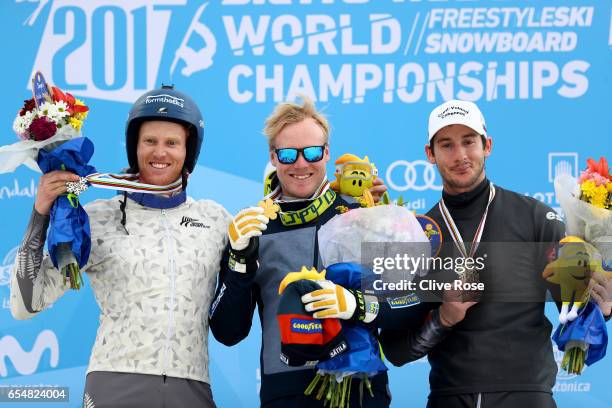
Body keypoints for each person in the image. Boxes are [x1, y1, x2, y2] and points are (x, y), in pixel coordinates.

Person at [378, 99, 612, 408]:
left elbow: (575, 312)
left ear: (487, 145)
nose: (460, 155)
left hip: (526, 397)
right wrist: (443, 318)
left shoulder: (535, 218)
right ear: (430, 154)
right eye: (446, 145)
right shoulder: (419, 235)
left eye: (469, 141)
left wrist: (602, 306)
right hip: (449, 399)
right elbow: (396, 352)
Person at [10, 85, 230, 408]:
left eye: (172, 143)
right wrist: (41, 212)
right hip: (115, 385)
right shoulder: (99, 217)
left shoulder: (215, 220)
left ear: (189, 151)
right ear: (134, 147)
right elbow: (25, 304)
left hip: (191, 387)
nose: (160, 153)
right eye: (149, 141)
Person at [209, 97, 395, 407]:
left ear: (327, 153)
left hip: (361, 390)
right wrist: (239, 259)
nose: (300, 164)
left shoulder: (362, 213)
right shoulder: (253, 225)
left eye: (311, 152)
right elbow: (228, 332)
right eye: (287, 154)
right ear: (273, 157)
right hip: (286, 392)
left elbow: (407, 305)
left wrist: (355, 304)